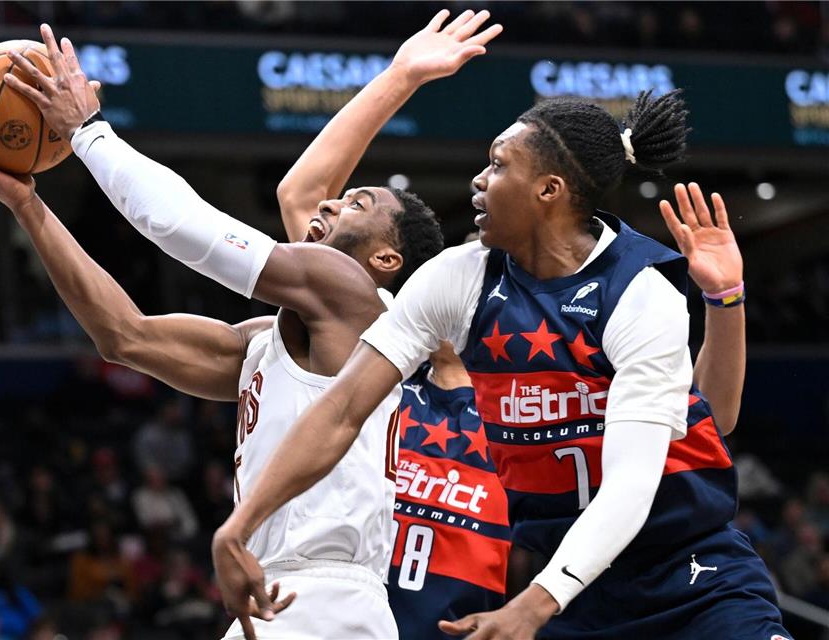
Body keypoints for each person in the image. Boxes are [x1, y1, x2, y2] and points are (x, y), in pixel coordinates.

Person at [0, 13, 499, 639]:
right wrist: (26, 203)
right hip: (272, 593)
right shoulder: (275, 340)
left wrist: (90, 133)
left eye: (357, 204)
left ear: (386, 262)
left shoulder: (356, 296)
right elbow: (123, 337)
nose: (332, 203)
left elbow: (181, 226)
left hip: (325, 596)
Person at [210, 86, 791, 639]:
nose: (478, 180)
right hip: (570, 590)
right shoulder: (456, 278)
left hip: (690, 574)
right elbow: (341, 408)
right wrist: (240, 526)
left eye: (498, 164)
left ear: (549, 190)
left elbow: (635, 483)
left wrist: (529, 608)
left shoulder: (639, 294)